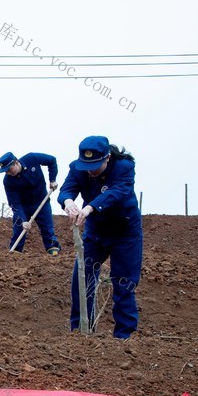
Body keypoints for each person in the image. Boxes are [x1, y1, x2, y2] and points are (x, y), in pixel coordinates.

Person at [58, 135, 142, 339]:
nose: (90, 170)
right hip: (96, 233)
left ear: (107, 158)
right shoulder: (77, 168)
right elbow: (66, 189)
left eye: (95, 166)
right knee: (82, 277)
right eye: (86, 165)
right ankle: (81, 331)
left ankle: (124, 335)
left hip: (124, 232)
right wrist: (68, 202)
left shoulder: (124, 167)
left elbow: (116, 193)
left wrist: (89, 208)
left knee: (123, 282)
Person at [0, 151, 61, 255]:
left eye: (9, 169)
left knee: (48, 229)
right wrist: (22, 220)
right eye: (6, 171)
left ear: (16, 162)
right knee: (19, 229)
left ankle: (53, 252)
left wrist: (52, 179)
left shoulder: (32, 158)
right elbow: (14, 203)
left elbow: (52, 160)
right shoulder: (8, 181)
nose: (8, 173)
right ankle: (14, 255)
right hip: (23, 207)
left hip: (42, 202)